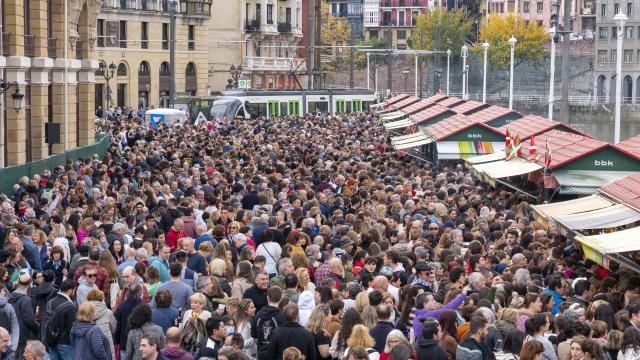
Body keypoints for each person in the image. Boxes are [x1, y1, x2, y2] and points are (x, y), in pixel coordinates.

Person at [9, 274, 38, 359]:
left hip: (13, 334)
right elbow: (30, 320)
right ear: (30, 283)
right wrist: (38, 327)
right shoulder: (26, 299)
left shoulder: (11, 296)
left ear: (18, 283)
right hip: (24, 335)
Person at [252, 286, 286, 360]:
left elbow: (254, 336)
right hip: (277, 354)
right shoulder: (283, 316)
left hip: (261, 354)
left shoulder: (257, 315)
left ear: (267, 298)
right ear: (281, 299)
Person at [115, 283, 144, 360]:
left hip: (124, 342)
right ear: (140, 293)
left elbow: (118, 325)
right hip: (140, 344)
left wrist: (117, 340)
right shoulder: (144, 307)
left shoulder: (122, 306)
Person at [87, 289, 117, 360]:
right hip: (107, 348)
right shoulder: (108, 312)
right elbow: (114, 329)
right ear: (101, 298)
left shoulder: (85, 312)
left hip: (89, 347)